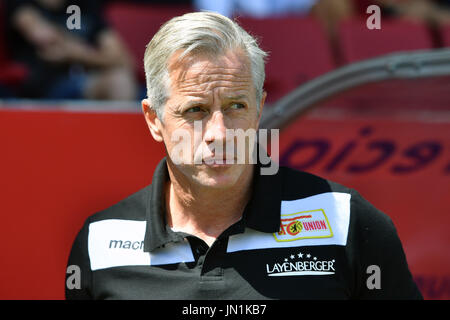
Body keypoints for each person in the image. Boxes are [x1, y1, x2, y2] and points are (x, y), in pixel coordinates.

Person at [65, 11, 422, 299]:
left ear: (260, 109)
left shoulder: (347, 221)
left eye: (237, 106)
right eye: (196, 110)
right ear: (154, 119)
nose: (221, 133)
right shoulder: (101, 240)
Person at [5, 0, 137, 100]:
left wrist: (76, 53)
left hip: (91, 80)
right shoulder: (22, 4)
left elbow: (125, 61)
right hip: (45, 85)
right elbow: (45, 39)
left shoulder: (86, 6)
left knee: (122, 79)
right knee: (120, 82)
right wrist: (96, 55)